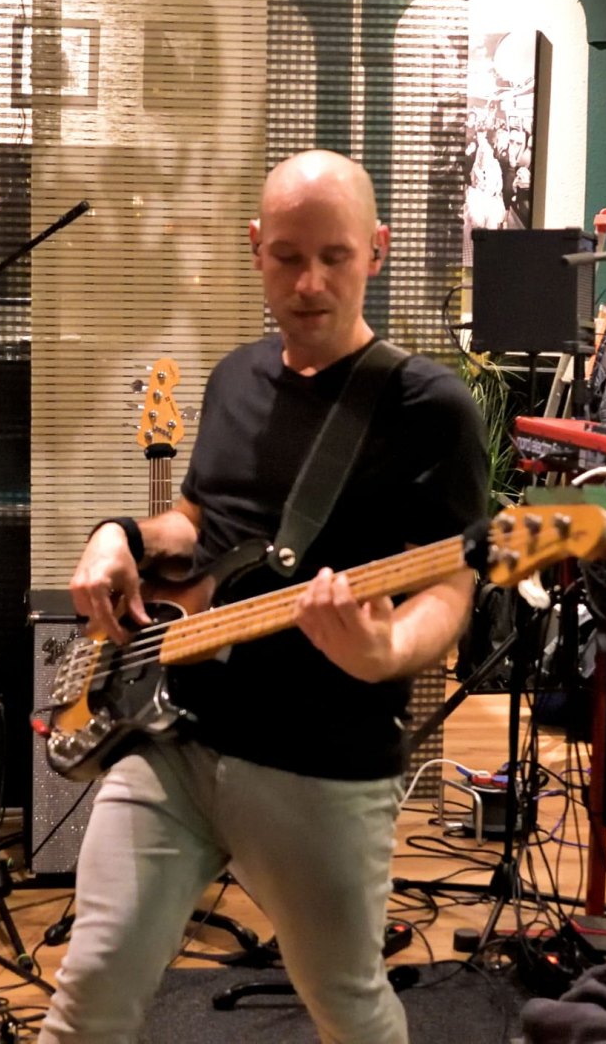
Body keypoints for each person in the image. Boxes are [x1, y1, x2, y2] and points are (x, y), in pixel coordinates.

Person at [46, 151, 488, 1044]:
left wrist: (387, 651)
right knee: (88, 990)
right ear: (255, 248)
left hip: (320, 763)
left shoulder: (427, 405)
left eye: (334, 256)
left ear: (377, 250)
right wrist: (117, 535)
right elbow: (196, 521)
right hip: (172, 740)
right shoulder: (233, 377)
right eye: (287, 257)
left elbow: (449, 582)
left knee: (347, 1006)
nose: (310, 282)